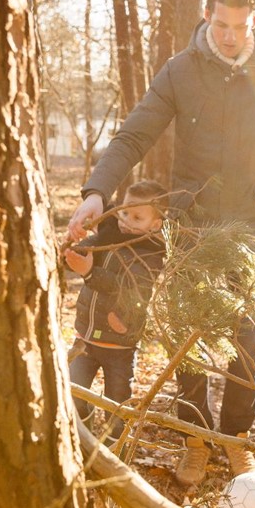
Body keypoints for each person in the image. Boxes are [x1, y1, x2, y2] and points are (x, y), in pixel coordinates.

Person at [67, 0, 255, 486]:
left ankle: (235, 440)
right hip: (189, 223)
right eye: (222, 24)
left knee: (246, 338)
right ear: (207, 14)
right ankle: (195, 440)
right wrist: (97, 191)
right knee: (189, 336)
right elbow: (133, 135)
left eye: (241, 26)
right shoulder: (181, 70)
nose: (230, 36)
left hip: (250, 224)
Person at [66, 180, 168, 442]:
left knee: (117, 405)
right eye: (123, 212)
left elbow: (126, 287)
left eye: (137, 217)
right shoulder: (108, 233)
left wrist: (89, 272)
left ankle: (114, 449)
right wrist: (71, 253)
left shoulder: (150, 255)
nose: (126, 220)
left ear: (154, 225)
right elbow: (87, 251)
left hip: (119, 347)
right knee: (73, 392)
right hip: (86, 339)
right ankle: (82, 438)